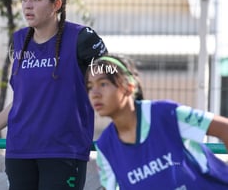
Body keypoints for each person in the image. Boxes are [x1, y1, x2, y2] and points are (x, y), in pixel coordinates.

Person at [0, 0, 108, 190]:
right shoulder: (19, 41)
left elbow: (111, 85)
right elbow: (22, 101)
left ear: (56, 4)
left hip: (63, 151)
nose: (27, 5)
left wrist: (126, 127)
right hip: (20, 151)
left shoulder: (83, 39)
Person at [85, 54, 228, 190]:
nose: (95, 93)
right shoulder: (106, 147)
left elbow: (225, 129)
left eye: (103, 84)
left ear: (129, 87)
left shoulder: (166, 113)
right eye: (90, 87)